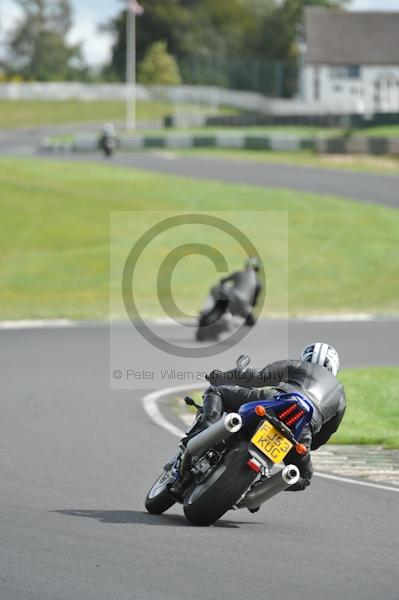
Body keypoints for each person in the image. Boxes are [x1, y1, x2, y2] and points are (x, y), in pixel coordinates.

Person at [198, 343, 346, 492]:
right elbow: (325, 434)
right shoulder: (340, 395)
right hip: (302, 429)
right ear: (334, 367)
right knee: (303, 477)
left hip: (274, 403)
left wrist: (221, 377)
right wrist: (307, 444)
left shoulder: (300, 365)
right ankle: (261, 489)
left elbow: (257, 377)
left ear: (306, 358)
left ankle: (207, 427)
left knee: (216, 391)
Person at [218, 257, 262, 326]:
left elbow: (223, 280)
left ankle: (224, 314)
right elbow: (254, 301)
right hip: (243, 304)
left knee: (221, 291)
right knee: (250, 321)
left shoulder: (238, 273)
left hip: (232, 297)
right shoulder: (258, 282)